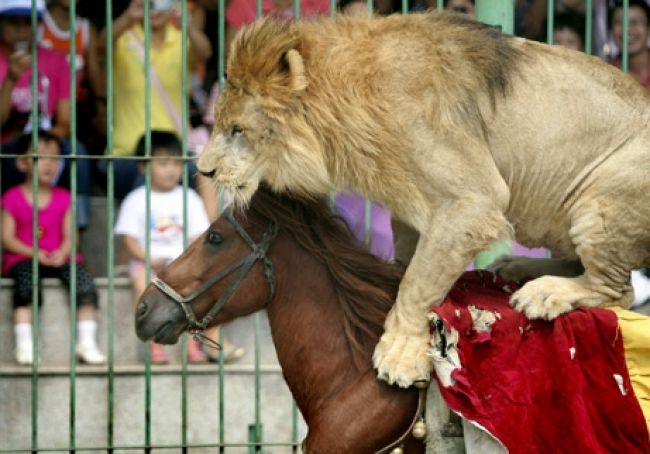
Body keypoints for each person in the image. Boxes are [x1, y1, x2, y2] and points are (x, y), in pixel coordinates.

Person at [114, 131, 244, 364]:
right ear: (144, 167)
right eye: (163, 163)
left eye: (176, 163)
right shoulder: (135, 199)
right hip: (146, 262)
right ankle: (154, 344)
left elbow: (198, 236)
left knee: (199, 287)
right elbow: (129, 240)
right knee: (141, 280)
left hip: (182, 263)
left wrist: (184, 262)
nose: (172, 169)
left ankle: (194, 345)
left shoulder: (189, 198)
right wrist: (150, 259)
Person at [1, 130, 105, 366]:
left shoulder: (65, 197)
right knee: (26, 288)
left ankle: (86, 343)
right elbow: (6, 238)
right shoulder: (11, 197)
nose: (49, 164)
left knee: (85, 285)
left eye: (55, 158)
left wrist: (63, 251)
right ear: (21, 163)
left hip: (60, 257)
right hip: (24, 258)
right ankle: (25, 344)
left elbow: (71, 237)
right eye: (41, 157)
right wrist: (33, 253)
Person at [98, 0, 212, 200]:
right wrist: (128, 16)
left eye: (161, 2)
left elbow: (206, 53)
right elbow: (100, 45)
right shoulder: (123, 41)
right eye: (148, 3)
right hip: (124, 155)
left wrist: (188, 27)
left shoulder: (182, 41)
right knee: (150, 173)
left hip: (174, 154)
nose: (154, 9)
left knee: (199, 176)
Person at [0, 0, 93, 229]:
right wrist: (11, 78)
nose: (22, 29)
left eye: (28, 22)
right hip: (6, 142)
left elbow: (65, 121)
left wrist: (43, 142)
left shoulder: (56, 60)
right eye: (13, 22)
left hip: (45, 138)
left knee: (76, 153)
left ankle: (77, 228)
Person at [607, 0, 650, 88]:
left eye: (635, 22)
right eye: (620, 23)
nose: (627, 30)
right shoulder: (606, 72)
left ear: (648, 29)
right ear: (611, 30)